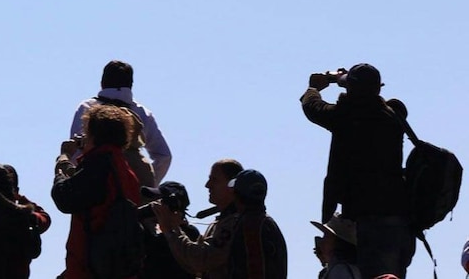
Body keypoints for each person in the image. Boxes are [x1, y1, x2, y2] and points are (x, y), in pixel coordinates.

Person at [301, 63, 415, 278]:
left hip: (363, 222)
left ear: (351, 89)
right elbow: (371, 98)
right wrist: (343, 79)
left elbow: (312, 107)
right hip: (399, 220)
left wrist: (314, 88)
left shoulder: (346, 116)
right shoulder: (393, 117)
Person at [52, 103, 143, 279]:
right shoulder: (126, 171)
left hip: (89, 268)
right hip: (117, 267)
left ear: (93, 133)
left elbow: (65, 197)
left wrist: (62, 161)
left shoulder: (99, 164)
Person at [155, 169, 288, 279]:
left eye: (214, 180)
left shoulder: (236, 224)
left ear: (235, 193)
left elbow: (202, 260)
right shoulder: (270, 225)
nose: (208, 185)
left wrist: (170, 229)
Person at [69, 60, 172, 187]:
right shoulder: (142, 113)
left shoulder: (87, 108)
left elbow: (75, 150)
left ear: (102, 83)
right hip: (132, 191)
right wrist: (144, 184)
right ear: (131, 85)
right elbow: (164, 156)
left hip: (95, 187)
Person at [140, 181, 200, 279]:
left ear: (174, 205)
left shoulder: (189, 234)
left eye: (161, 201)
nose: (155, 204)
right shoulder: (155, 231)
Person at [311, 213, 360, 279]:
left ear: (338, 243)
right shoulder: (348, 269)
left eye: (327, 237)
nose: (322, 241)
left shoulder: (340, 270)